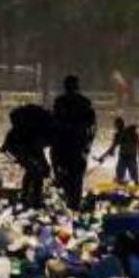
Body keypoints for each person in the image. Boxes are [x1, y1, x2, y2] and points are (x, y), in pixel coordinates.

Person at [51, 75, 96, 210]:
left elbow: (53, 123)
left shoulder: (60, 102)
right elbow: (92, 127)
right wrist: (88, 144)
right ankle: (73, 203)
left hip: (64, 146)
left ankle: (69, 201)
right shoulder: (84, 103)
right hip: (76, 146)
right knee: (76, 178)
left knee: (64, 176)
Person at [1, 104, 53, 208]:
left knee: (35, 170)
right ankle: (33, 198)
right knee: (36, 171)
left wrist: (44, 166)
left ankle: (29, 197)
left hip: (24, 148)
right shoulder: (40, 129)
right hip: (20, 147)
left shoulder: (40, 128)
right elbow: (37, 149)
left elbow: (39, 150)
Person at [97, 117, 139, 186]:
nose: (116, 127)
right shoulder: (118, 135)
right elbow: (112, 148)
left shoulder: (131, 132)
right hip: (123, 158)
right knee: (120, 177)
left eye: (117, 125)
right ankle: (123, 185)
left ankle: (133, 187)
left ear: (121, 124)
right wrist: (102, 157)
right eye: (116, 126)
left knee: (135, 178)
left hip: (131, 158)